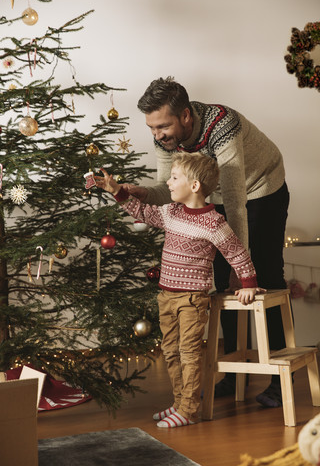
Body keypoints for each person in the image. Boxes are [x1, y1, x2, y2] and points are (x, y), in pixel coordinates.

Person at [127, 76, 290, 409]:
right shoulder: (166, 140)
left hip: (261, 189)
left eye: (162, 126)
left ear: (185, 116)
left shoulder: (222, 124)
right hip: (218, 198)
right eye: (152, 128)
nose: (157, 135)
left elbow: (234, 199)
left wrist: (241, 268)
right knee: (221, 285)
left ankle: (277, 378)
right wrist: (145, 194)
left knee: (265, 277)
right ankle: (233, 373)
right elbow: (166, 190)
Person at [95, 151, 265, 428]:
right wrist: (117, 191)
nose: (169, 184)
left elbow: (237, 253)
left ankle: (188, 409)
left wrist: (248, 284)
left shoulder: (214, 223)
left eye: (174, 178)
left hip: (192, 299)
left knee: (189, 353)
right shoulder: (171, 212)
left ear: (194, 186)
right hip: (166, 295)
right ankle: (178, 403)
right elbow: (143, 212)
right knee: (171, 351)